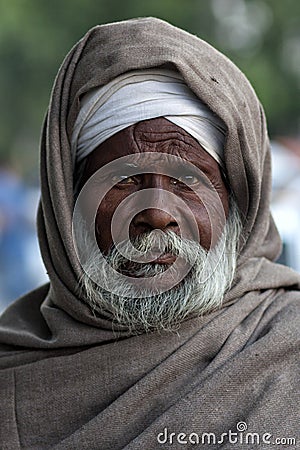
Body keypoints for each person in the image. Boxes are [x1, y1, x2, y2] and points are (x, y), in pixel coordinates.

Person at [0, 17, 299, 449]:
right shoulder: (14, 372)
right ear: (68, 200)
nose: (156, 214)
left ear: (237, 203)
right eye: (121, 180)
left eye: (189, 181)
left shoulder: (286, 347)